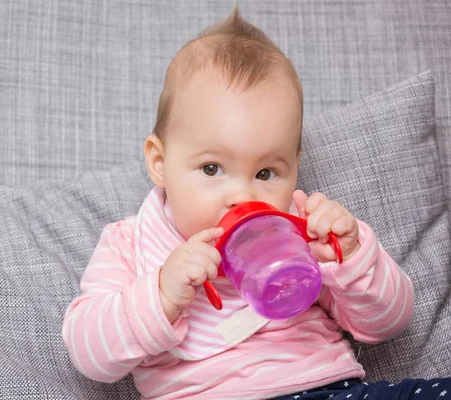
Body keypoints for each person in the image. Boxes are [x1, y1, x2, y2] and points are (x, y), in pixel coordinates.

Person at [62, 7, 449, 399]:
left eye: (265, 173)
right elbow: (88, 353)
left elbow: (390, 323)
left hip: (329, 390)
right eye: (212, 168)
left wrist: (349, 257)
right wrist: (160, 294)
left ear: (294, 169)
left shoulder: (307, 234)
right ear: (160, 164)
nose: (243, 197)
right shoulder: (130, 245)